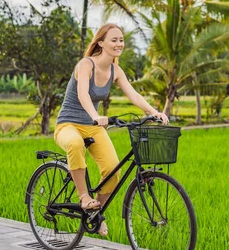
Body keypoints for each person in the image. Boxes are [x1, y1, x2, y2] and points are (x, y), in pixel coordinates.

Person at [54, 23, 168, 237]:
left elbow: (134, 95)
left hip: (93, 128)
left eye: (121, 40)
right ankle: (84, 197)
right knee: (75, 143)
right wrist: (96, 115)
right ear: (101, 43)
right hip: (68, 124)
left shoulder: (116, 70)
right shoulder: (85, 64)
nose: (119, 44)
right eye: (114, 40)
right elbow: (82, 95)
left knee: (113, 170)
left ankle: (95, 213)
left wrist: (154, 112)